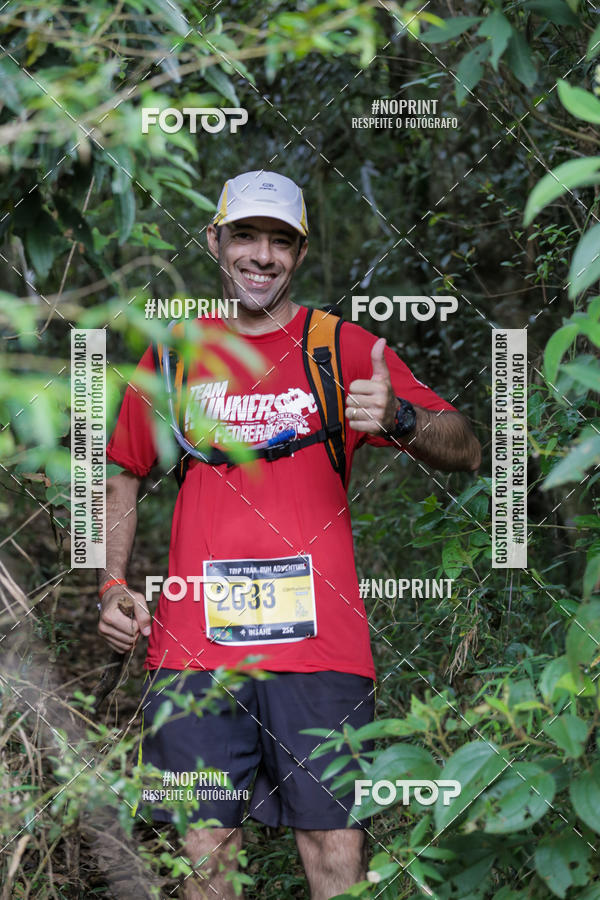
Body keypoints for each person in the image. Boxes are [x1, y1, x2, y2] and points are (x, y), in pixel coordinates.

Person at [98, 170, 481, 900]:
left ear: (300, 254)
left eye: (281, 241)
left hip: (321, 649)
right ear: (216, 241)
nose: (262, 256)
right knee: (206, 852)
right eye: (246, 236)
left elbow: (466, 445)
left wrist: (401, 417)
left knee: (335, 848)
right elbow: (119, 468)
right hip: (194, 649)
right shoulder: (176, 351)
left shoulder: (340, 347)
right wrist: (110, 583)